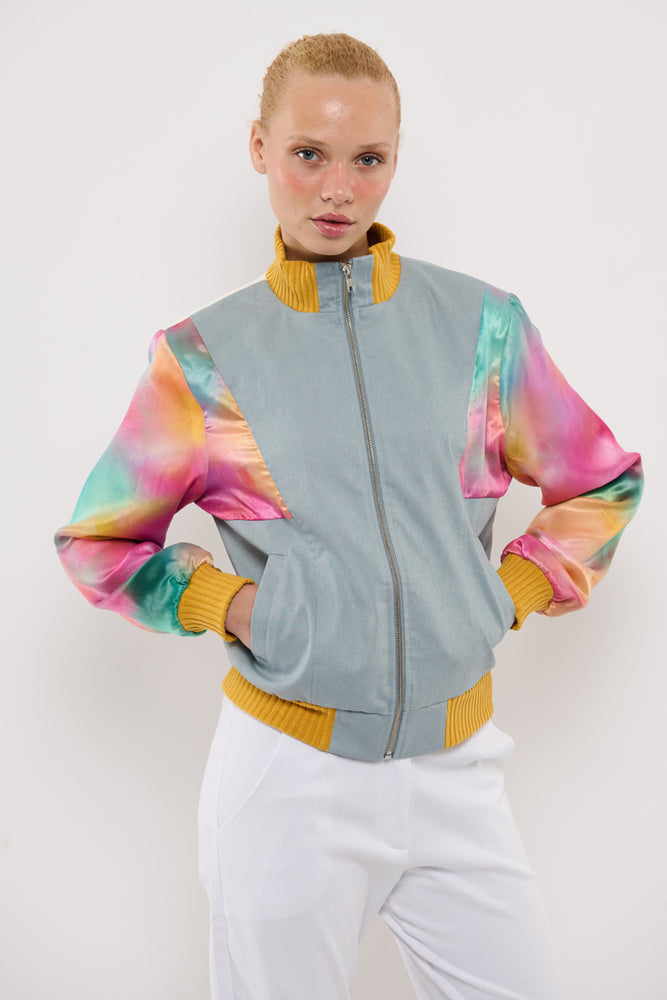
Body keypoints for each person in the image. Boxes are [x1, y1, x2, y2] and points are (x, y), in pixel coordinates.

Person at [55, 32, 643, 1000]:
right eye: (308, 154)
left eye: (367, 159)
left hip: (457, 767)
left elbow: (600, 483)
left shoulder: (481, 326)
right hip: (288, 776)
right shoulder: (203, 358)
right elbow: (100, 541)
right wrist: (236, 606)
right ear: (259, 148)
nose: (337, 189)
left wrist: (502, 594)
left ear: (394, 159)